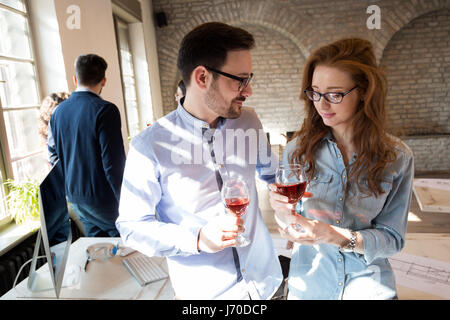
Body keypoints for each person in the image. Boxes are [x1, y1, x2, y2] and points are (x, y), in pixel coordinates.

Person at [116, 22, 283, 300]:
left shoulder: (249, 121)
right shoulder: (149, 146)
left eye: (249, 79)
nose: (248, 90)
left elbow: (273, 175)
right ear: (202, 77)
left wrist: (294, 203)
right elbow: (131, 226)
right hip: (208, 296)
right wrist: (196, 239)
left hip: (268, 282)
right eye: (240, 80)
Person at [268, 38, 414, 300]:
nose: (321, 105)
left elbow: (393, 239)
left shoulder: (398, 157)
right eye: (314, 92)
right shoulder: (296, 151)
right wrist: (282, 211)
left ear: (364, 93)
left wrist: (336, 236)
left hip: (370, 288)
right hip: (310, 287)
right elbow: (288, 221)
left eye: (335, 94)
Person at [48, 53, 126, 237]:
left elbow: (53, 156)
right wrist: (126, 201)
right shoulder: (106, 110)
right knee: (128, 248)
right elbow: (113, 164)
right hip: (105, 200)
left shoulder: (58, 112)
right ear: (104, 81)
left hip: (76, 199)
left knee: (97, 251)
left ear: (75, 79)